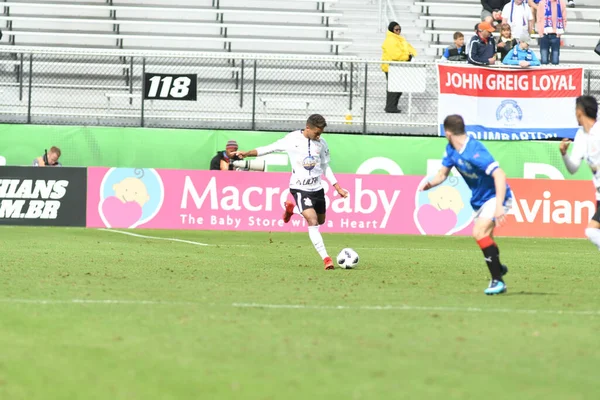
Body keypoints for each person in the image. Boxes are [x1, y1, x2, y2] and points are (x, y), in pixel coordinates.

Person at [235, 114, 349, 270]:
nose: (319, 136)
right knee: (313, 221)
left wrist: (337, 187)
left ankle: (292, 210)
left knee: (321, 220)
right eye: (317, 132)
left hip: (317, 188)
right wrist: (247, 153)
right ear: (307, 127)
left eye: (321, 133)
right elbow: (270, 148)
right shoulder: (292, 139)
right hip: (299, 187)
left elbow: (325, 166)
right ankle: (326, 259)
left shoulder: (322, 143)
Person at [420, 115, 512, 295]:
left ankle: (498, 281)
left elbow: (499, 175)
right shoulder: (451, 149)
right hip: (480, 199)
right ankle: (498, 268)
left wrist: (499, 205)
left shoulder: (475, 150)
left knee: (479, 232)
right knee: (488, 238)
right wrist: (430, 184)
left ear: (447, 132)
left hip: (495, 196)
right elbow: (442, 174)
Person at [559, 96, 600, 250]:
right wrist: (564, 154)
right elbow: (573, 168)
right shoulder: (581, 136)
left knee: (591, 231)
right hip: (598, 195)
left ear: (579, 111)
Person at [381, 21, 417, 113]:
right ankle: (390, 107)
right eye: (396, 29)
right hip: (391, 67)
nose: (398, 31)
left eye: (399, 29)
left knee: (398, 88)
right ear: (391, 30)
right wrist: (407, 57)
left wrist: (411, 54)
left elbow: (410, 49)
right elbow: (395, 55)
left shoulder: (400, 39)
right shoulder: (390, 40)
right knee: (394, 88)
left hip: (398, 67)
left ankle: (392, 106)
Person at [537, 0, 567, 65]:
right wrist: (540, 32)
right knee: (544, 60)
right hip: (545, 34)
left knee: (555, 60)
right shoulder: (542, 3)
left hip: (555, 35)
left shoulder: (561, 3)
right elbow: (539, 18)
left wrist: (560, 32)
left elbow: (564, 19)